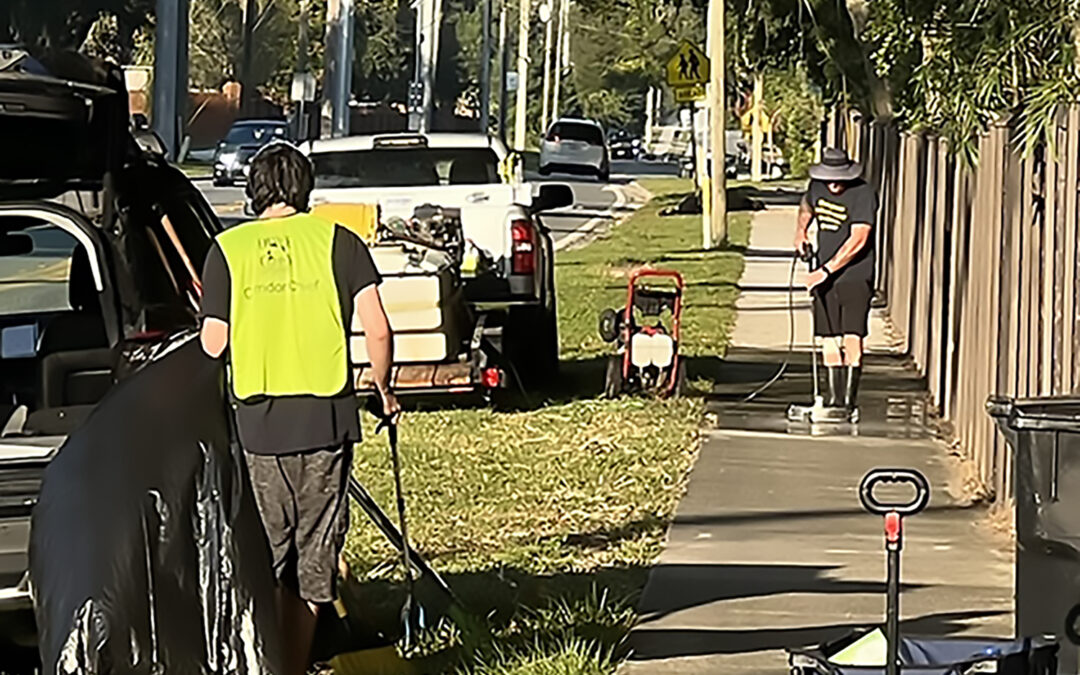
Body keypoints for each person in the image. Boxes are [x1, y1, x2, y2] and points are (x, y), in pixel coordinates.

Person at [199, 142, 401, 675]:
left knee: (269, 554)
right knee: (316, 553)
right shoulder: (340, 242)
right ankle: (292, 663)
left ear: (254, 189)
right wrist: (384, 389)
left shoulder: (228, 250)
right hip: (325, 420)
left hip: (259, 426)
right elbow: (378, 328)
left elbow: (213, 343)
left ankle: (270, 660)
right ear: (305, 189)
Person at [793, 147, 878, 413]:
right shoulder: (817, 187)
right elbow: (807, 207)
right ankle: (832, 399)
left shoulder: (863, 194)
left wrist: (826, 271)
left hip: (855, 275)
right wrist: (801, 233)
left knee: (852, 337)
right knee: (828, 338)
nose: (833, 185)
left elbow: (859, 239)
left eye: (839, 180)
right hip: (823, 278)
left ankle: (849, 401)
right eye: (829, 179)